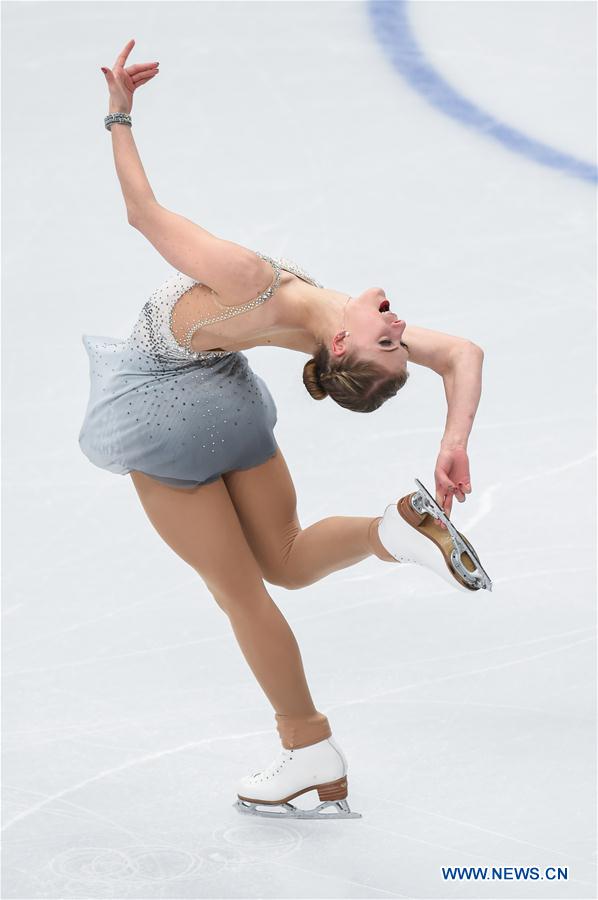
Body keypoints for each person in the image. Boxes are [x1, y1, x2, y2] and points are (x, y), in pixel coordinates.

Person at [80, 41, 491, 820]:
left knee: (242, 596)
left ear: (343, 349)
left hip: (161, 405)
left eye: (388, 339)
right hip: (226, 396)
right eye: (397, 335)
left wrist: (119, 112)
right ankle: (390, 530)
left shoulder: (255, 284)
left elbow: (142, 213)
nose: (399, 324)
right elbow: (463, 353)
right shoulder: (329, 324)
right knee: (289, 561)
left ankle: (307, 750)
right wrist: (452, 441)